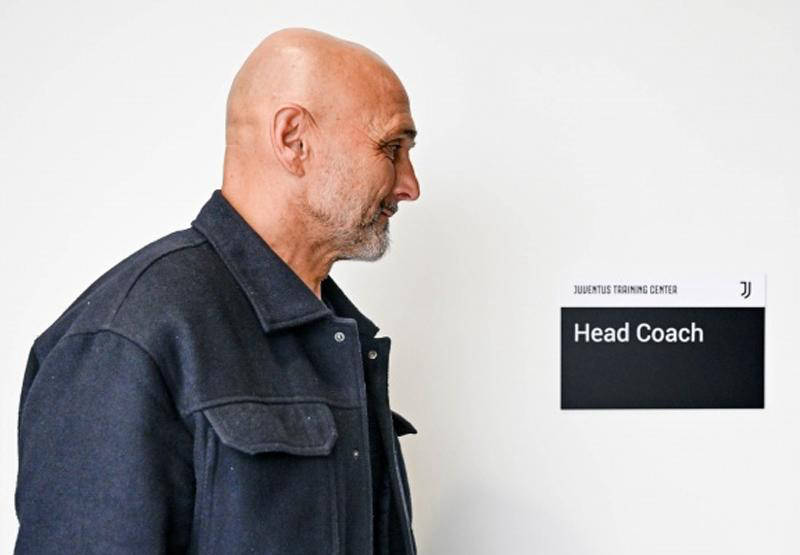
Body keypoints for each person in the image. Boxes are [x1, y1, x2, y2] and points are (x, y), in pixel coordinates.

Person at [14, 27, 420, 554]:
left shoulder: (342, 338)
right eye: (391, 148)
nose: (410, 185)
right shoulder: (127, 337)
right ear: (294, 139)